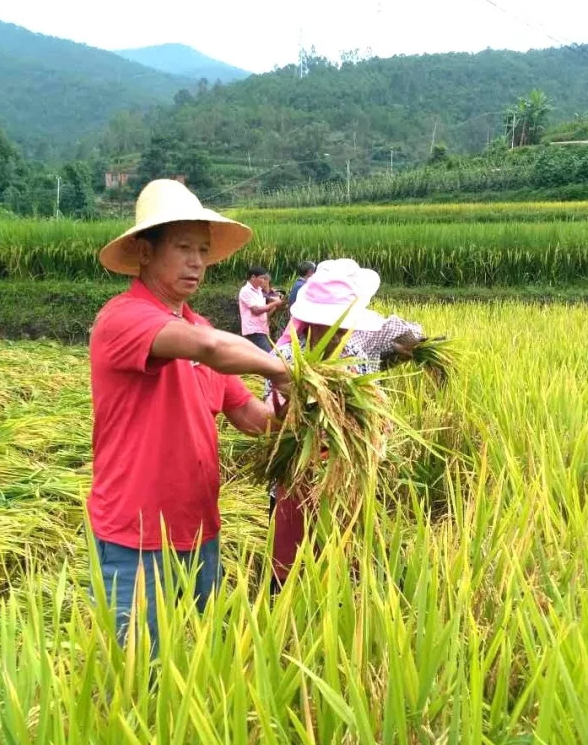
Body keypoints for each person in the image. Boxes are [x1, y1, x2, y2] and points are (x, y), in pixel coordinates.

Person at [88, 179, 289, 655]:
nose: (197, 261)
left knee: (204, 662)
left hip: (200, 530)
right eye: (182, 248)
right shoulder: (124, 318)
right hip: (135, 537)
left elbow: (247, 413)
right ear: (143, 251)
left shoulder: (199, 326)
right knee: (139, 677)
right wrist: (285, 371)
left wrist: (315, 421)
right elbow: (210, 348)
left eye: (202, 249)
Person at [262, 259, 385, 590]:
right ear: (312, 324)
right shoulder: (285, 361)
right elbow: (268, 423)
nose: (340, 335)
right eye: (333, 327)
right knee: (288, 571)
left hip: (347, 480)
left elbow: (376, 416)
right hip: (295, 479)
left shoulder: (358, 353)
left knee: (343, 568)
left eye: (345, 327)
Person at [238, 265, 283, 352]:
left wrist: (275, 300)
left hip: (262, 329)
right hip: (254, 331)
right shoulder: (246, 291)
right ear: (253, 277)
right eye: (262, 278)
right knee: (269, 356)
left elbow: (270, 298)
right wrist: (274, 303)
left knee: (257, 358)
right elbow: (256, 310)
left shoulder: (258, 290)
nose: (263, 281)